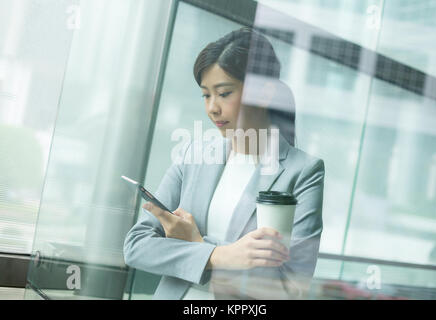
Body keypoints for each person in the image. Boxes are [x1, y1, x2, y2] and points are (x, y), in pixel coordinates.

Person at [123, 27, 325, 300]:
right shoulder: (192, 154)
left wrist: (196, 244)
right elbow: (137, 246)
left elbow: (290, 286)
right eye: (206, 95)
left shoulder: (302, 172)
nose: (212, 108)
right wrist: (222, 254)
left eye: (224, 93)